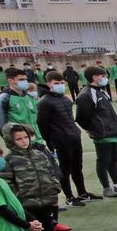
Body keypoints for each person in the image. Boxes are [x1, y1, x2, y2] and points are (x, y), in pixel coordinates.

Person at [0, 123, 74, 231]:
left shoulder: (39, 155)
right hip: (25, 201)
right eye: (19, 139)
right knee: (30, 224)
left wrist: (55, 186)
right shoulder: (9, 160)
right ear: (10, 141)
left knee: (47, 219)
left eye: (25, 137)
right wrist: (17, 196)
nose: (24, 141)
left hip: (45, 196)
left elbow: (51, 172)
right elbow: (6, 181)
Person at [75, 65, 117, 198]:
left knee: (113, 159)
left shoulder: (101, 91)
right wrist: (93, 129)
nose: (105, 78)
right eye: (103, 76)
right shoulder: (86, 94)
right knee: (103, 161)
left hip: (111, 132)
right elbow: (81, 117)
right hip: (102, 134)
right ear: (94, 77)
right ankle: (106, 187)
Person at [38, 72, 87, 205]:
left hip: (74, 137)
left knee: (77, 166)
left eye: (61, 83)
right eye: (56, 83)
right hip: (61, 139)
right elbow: (42, 124)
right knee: (65, 169)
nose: (59, 86)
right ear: (49, 85)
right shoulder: (45, 102)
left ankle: (82, 193)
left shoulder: (65, 99)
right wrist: (49, 141)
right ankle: (69, 197)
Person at [0, 68, 39, 139]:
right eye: (21, 80)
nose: (25, 82)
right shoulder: (4, 98)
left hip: (37, 139)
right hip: (20, 140)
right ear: (10, 81)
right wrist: (10, 140)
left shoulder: (29, 96)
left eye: (25, 79)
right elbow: (0, 122)